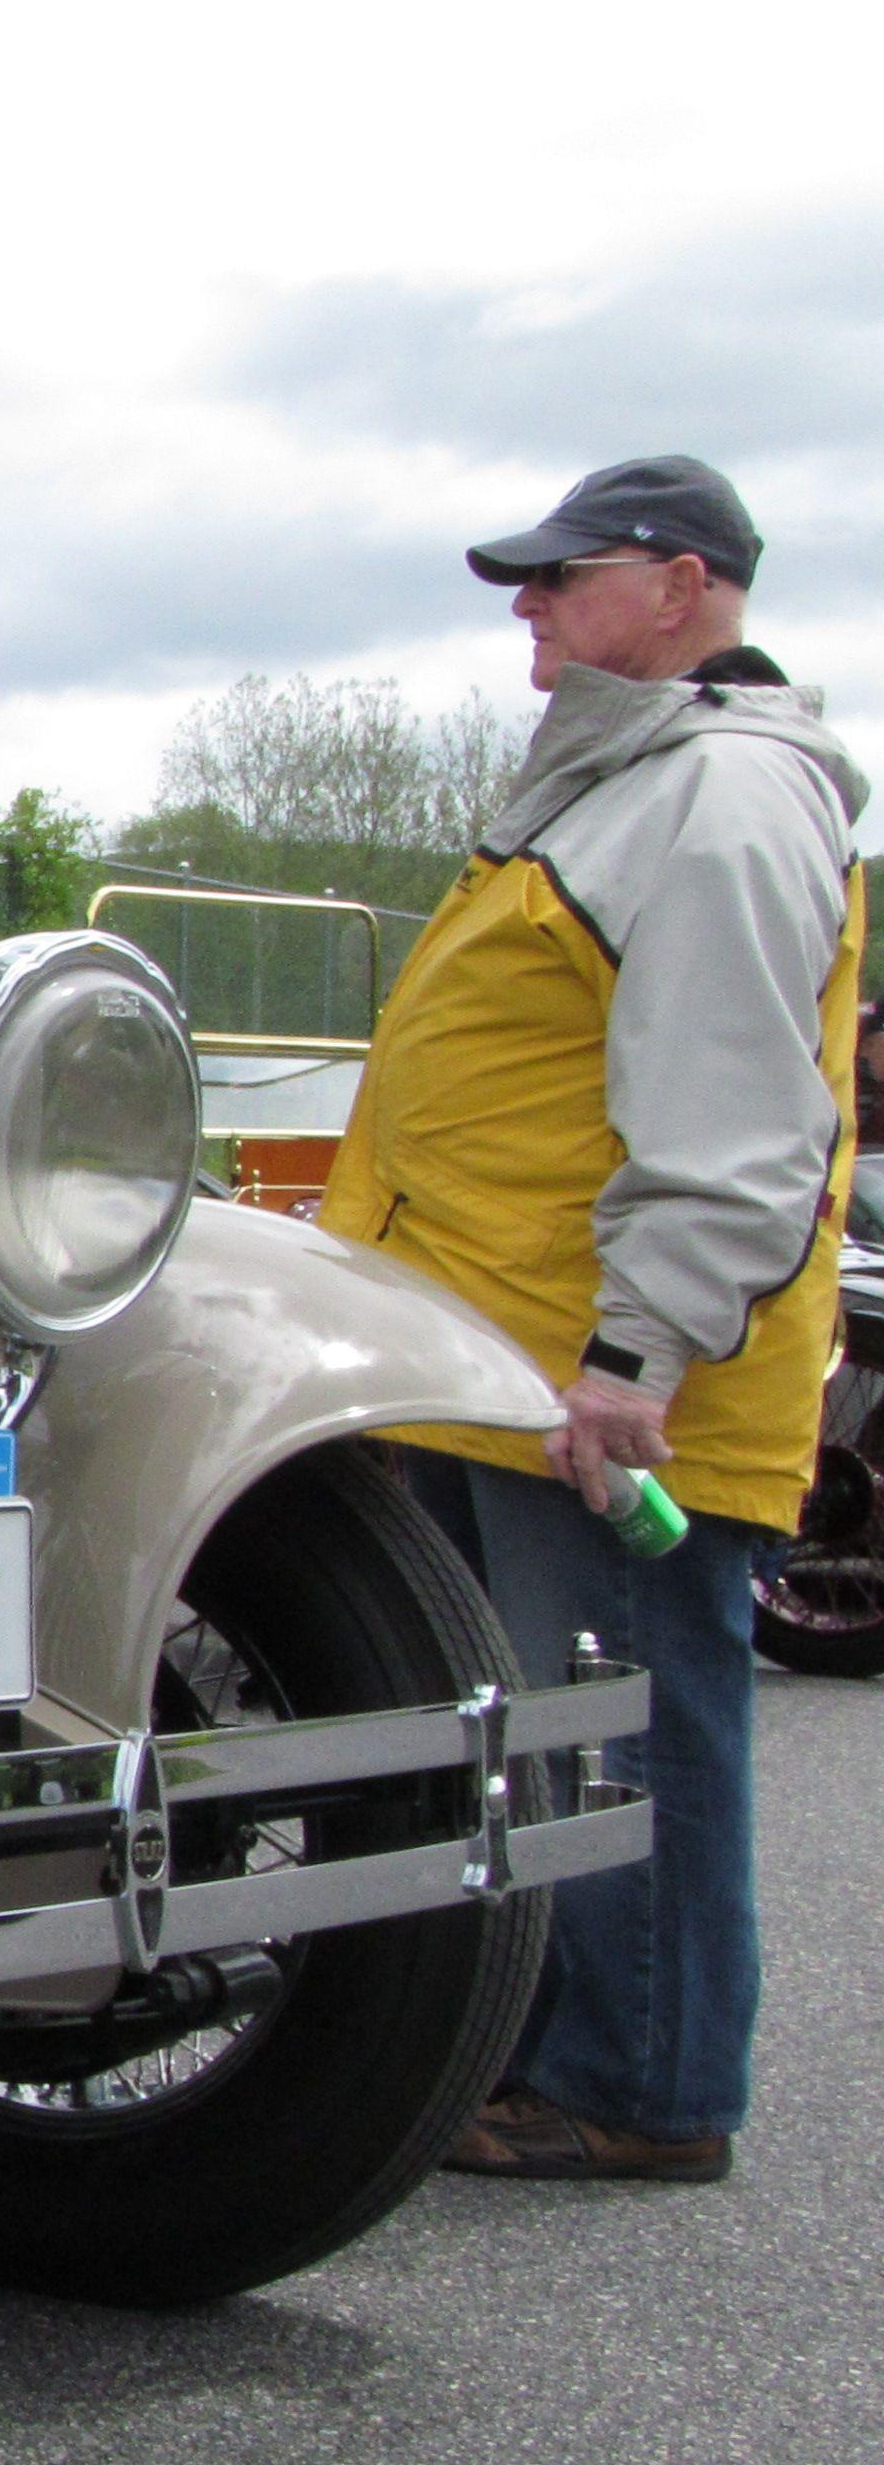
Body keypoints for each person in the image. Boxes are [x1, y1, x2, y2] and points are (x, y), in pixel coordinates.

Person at [317, 456, 867, 2184]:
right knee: (550, 1730)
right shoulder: (627, 792)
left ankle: (638, 2086)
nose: (528, 609)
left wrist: (636, 1367)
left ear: (685, 587)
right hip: (504, 1362)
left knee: (626, 1729)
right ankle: (559, 2053)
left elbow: (737, 1122)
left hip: (594, 1376)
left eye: (565, 577)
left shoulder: (721, 798)